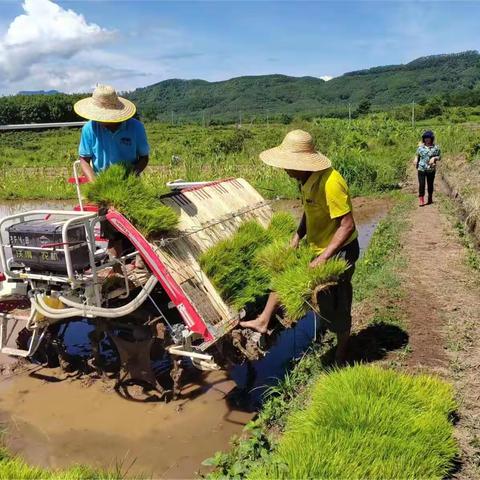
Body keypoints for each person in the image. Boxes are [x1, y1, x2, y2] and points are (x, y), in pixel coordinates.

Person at [240, 130, 359, 363]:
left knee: (336, 304)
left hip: (340, 252)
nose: (285, 170)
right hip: (317, 247)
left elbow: (347, 225)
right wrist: (297, 235)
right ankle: (264, 321)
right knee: (285, 274)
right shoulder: (305, 180)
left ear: (303, 164)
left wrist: (323, 258)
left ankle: (342, 350)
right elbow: (309, 210)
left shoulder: (331, 183)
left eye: (288, 165)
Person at [74, 84, 150, 258]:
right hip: (104, 187)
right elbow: (84, 159)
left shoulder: (135, 127)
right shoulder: (89, 129)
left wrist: (130, 176)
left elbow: (144, 158)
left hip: (130, 186)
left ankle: (140, 262)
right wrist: (96, 185)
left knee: (138, 227)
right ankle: (116, 269)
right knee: (111, 231)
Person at [413, 130, 441, 206]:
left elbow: (439, 157)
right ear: (423, 139)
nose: (427, 139)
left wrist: (434, 158)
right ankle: (421, 199)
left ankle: (430, 197)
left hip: (431, 169)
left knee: (430, 184)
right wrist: (415, 159)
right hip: (421, 168)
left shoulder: (436, 147)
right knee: (421, 184)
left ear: (431, 138)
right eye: (425, 138)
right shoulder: (420, 147)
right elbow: (417, 154)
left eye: (428, 138)